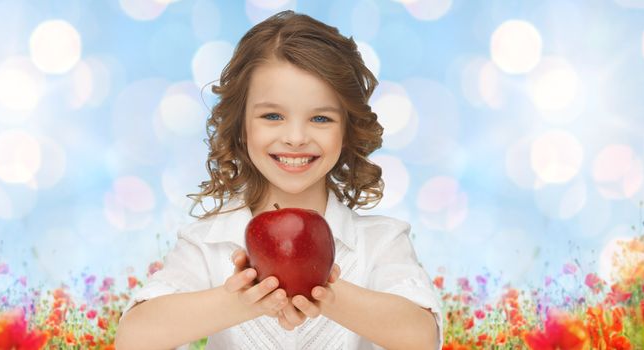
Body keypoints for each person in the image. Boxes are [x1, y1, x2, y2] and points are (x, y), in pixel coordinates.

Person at [115, 10, 442, 350]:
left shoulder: (379, 242)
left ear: (347, 131)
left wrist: (325, 291)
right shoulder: (208, 243)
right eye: (273, 115)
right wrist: (241, 299)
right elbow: (134, 338)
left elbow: (420, 337)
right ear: (242, 126)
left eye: (320, 117)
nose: (296, 137)